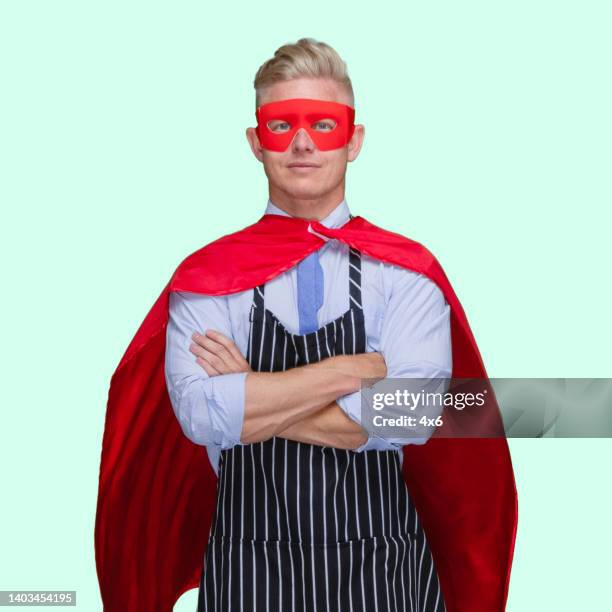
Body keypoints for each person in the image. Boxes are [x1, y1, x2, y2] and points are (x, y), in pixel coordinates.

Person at [95, 38, 518, 612]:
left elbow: (413, 412)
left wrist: (251, 396)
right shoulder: (207, 275)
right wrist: (352, 371)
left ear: (354, 139)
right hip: (248, 571)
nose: (301, 143)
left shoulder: (406, 272)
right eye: (280, 126)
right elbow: (199, 414)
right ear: (255, 142)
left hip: (385, 570)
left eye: (322, 124)